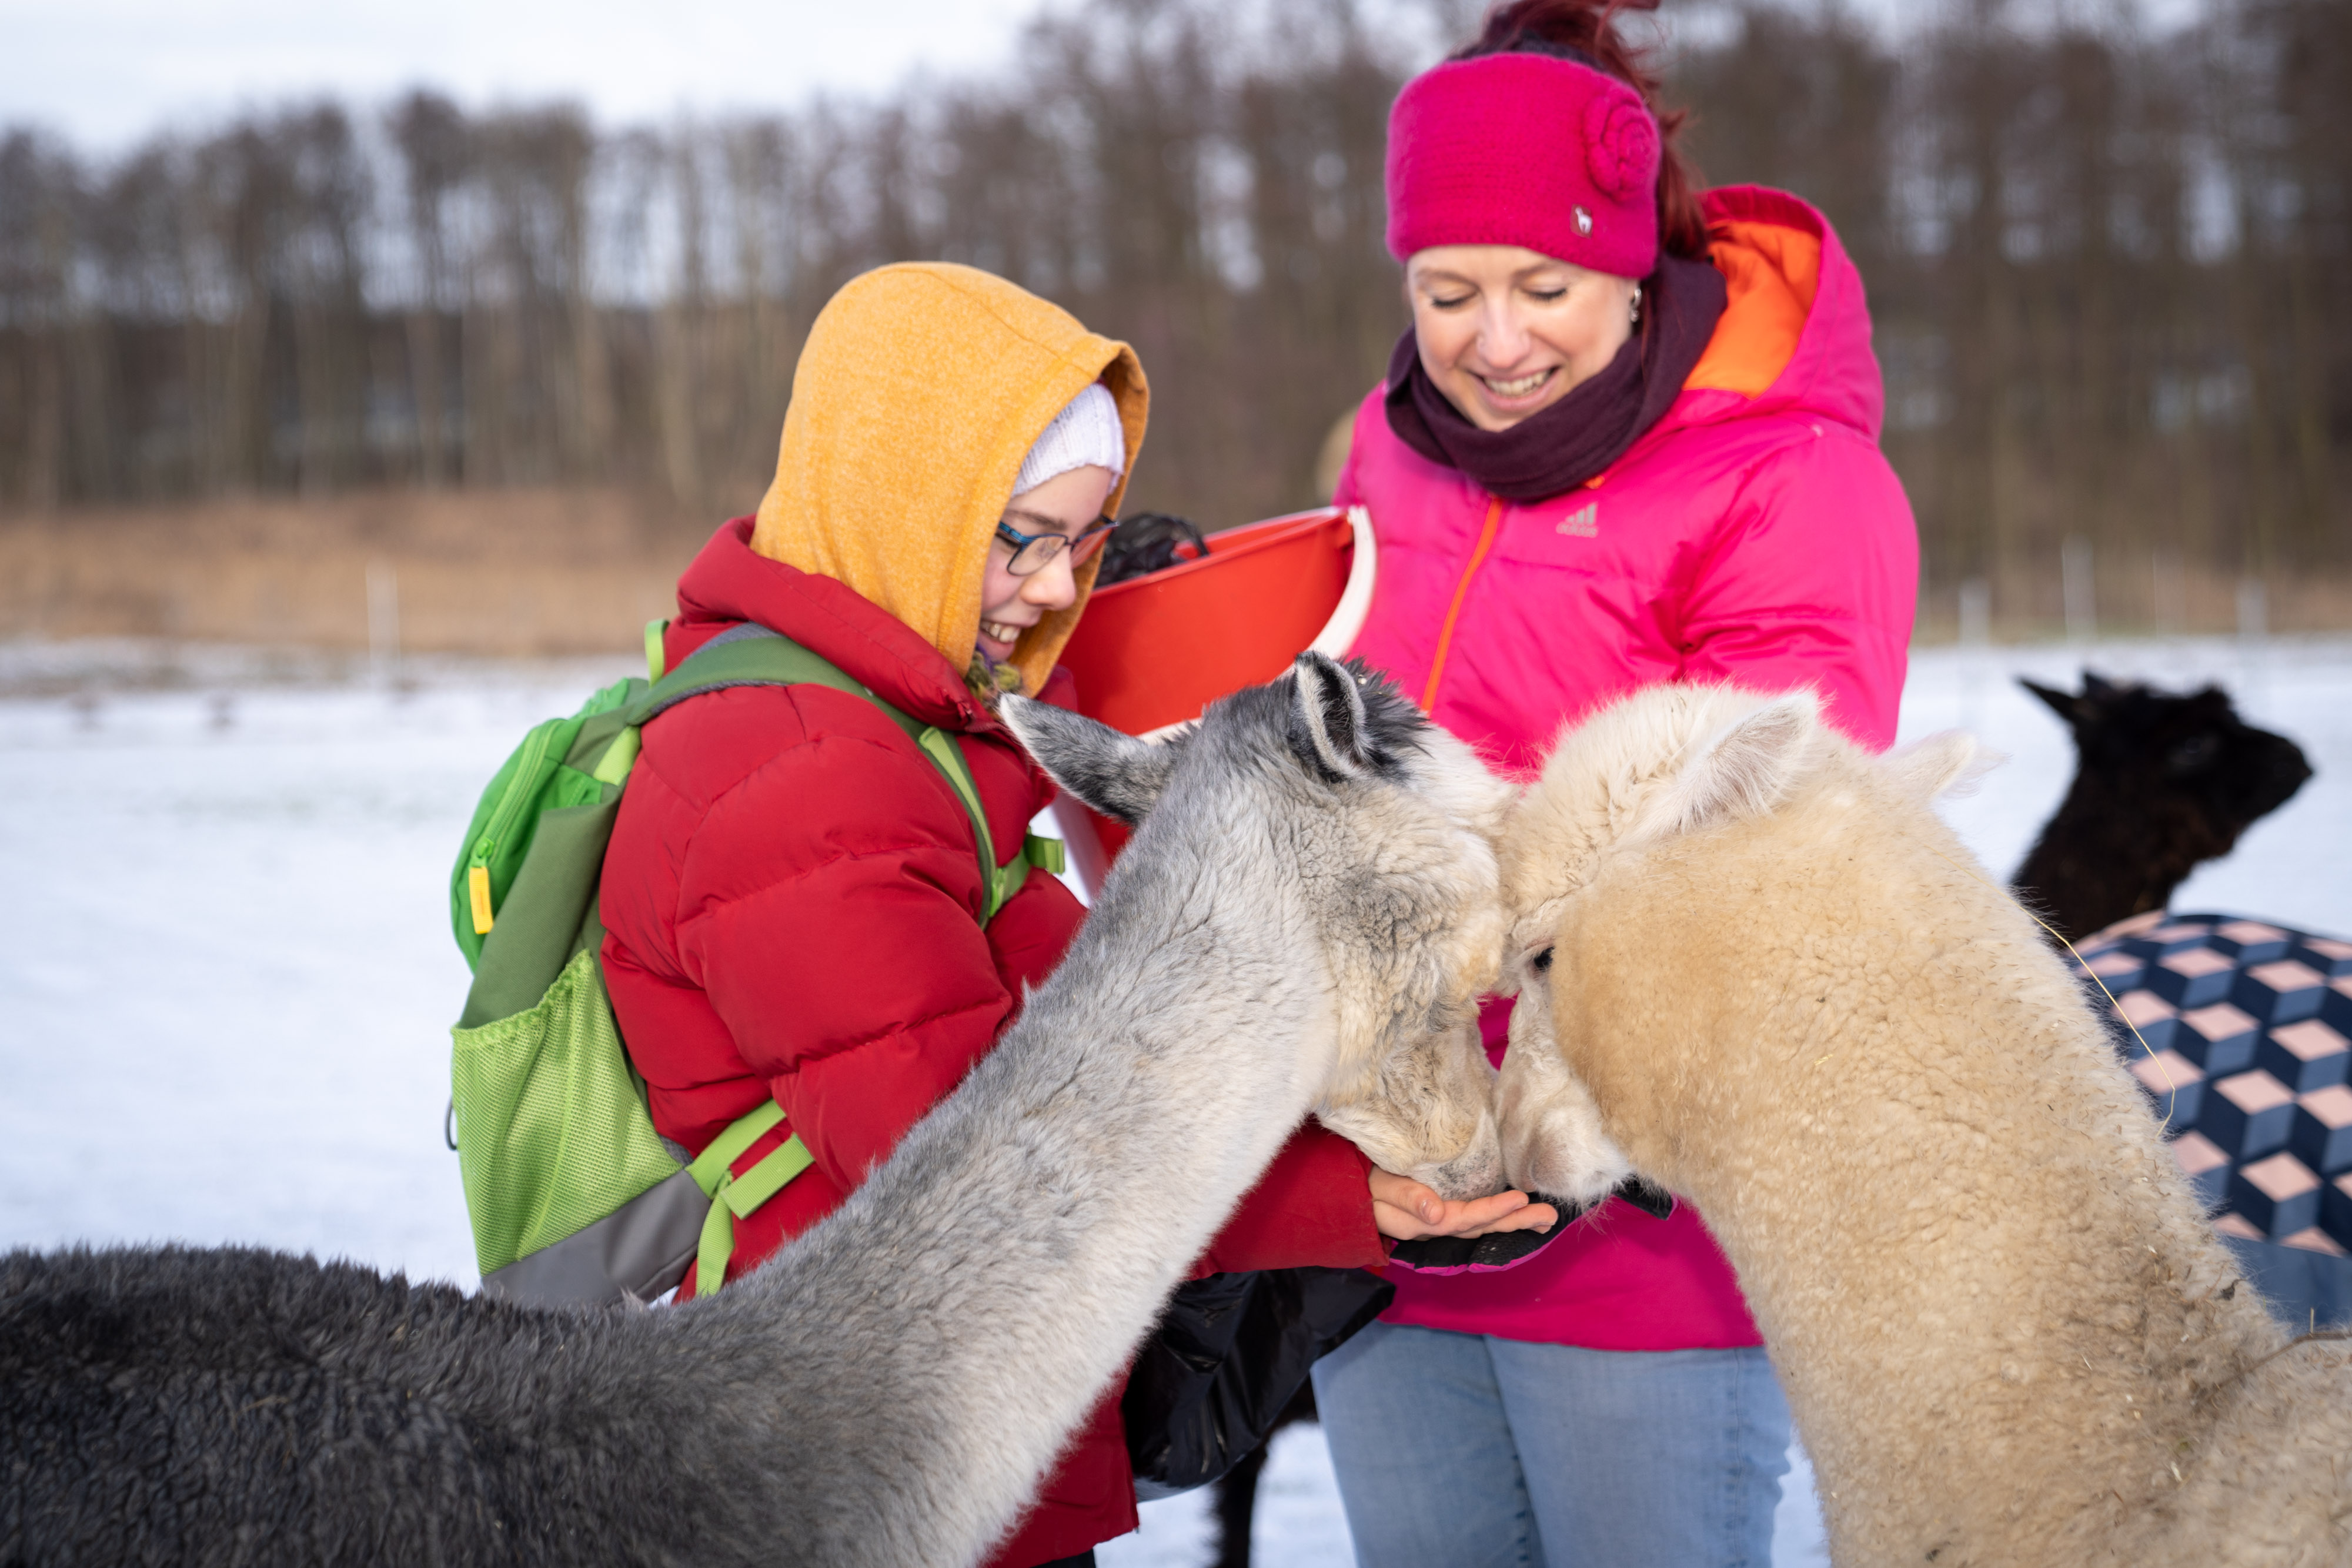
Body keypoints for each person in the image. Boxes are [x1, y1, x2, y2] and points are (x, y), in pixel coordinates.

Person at [594, 260, 1538, 1568]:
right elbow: (988, 1180)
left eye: (1078, 542)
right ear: (900, 501)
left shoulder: (891, 732)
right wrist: (1354, 1198)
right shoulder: (799, 775)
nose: (1050, 590)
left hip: (926, 1418)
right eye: (1016, 538)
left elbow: (1079, 1053)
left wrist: (1364, 1179)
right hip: (869, 1452)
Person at [1308, 3, 1920, 1565]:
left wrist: (1565, 1124)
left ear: (1633, 266)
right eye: (1449, 291)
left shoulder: (1783, 479)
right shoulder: (1393, 449)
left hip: (1640, 1215)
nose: (1494, 340)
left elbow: (1761, 846)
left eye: (1544, 287)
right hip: (1401, 1204)